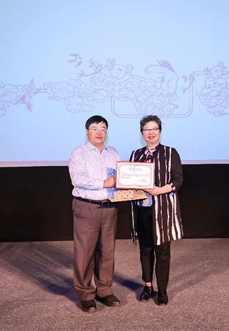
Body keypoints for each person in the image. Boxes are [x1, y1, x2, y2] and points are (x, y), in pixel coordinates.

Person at [68, 115, 121, 312]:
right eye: (95, 128)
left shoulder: (112, 153)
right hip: (87, 207)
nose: (99, 132)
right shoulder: (79, 153)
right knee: (85, 253)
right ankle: (85, 293)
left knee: (107, 252)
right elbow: (77, 179)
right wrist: (103, 183)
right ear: (87, 131)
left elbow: (120, 178)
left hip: (109, 207)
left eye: (103, 129)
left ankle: (104, 290)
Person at [129, 115, 184, 305]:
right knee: (145, 249)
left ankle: (162, 290)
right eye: (146, 129)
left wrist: (159, 190)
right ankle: (147, 286)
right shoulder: (136, 154)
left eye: (154, 128)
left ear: (160, 131)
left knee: (162, 251)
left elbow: (178, 180)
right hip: (142, 209)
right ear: (142, 133)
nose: (150, 132)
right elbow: (130, 180)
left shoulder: (170, 152)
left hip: (162, 210)